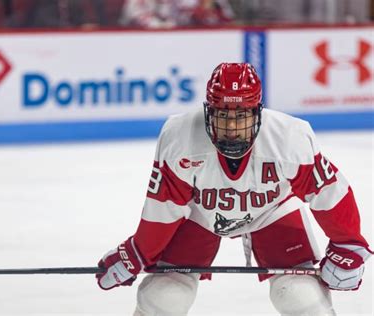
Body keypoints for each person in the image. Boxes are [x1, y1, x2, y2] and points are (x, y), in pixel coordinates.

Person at [95, 62, 372, 315]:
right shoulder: (179, 137)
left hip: (272, 210)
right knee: (164, 295)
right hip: (199, 214)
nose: (231, 127)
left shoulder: (289, 138)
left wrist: (349, 243)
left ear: (257, 112)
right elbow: (165, 205)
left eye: (241, 115)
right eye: (222, 115)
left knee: (299, 295)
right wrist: (138, 252)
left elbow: (329, 192)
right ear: (208, 111)